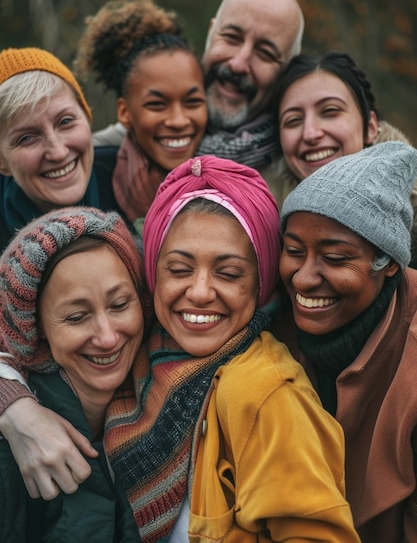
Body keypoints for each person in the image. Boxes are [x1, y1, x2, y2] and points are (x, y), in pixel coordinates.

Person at [0, 157, 360, 543]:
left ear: (262, 281)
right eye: (179, 269)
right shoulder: (140, 356)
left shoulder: (264, 392)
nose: (201, 292)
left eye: (228, 272)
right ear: (152, 277)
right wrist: (14, 404)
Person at [278, 141, 417, 542]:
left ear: (389, 263)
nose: (303, 278)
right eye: (292, 251)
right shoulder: (270, 319)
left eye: (335, 258)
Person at [0, 206, 149, 541]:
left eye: (119, 305)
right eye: (77, 316)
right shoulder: (11, 454)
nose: (108, 336)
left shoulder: (168, 398)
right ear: (37, 330)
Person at [92, 0, 305, 172]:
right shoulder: (135, 137)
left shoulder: (296, 167)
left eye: (265, 53)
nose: (238, 63)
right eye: (231, 38)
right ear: (211, 33)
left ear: (286, 70)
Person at [262, 50, 417, 266]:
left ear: (370, 127)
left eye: (330, 111)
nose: (310, 133)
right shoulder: (262, 229)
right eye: (293, 120)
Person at [74, 0, 207, 225]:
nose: (178, 120)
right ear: (125, 112)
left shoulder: (222, 179)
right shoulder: (87, 180)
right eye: (157, 104)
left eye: (193, 101)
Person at [0, 46, 129, 253]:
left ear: (87, 117)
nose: (58, 152)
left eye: (66, 121)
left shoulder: (130, 176)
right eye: (26, 138)